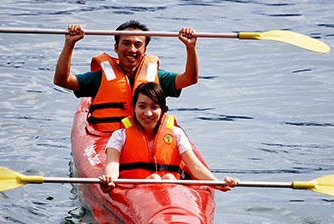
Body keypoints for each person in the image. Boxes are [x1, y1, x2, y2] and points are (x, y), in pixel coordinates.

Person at [54, 20, 199, 131]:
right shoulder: (99, 78)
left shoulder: (156, 76)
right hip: (107, 138)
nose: (132, 49)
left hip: (146, 137)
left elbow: (190, 79)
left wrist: (190, 47)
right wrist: (69, 44)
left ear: (144, 49)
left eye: (138, 45)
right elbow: (62, 80)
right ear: (116, 48)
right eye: (126, 43)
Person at [99, 82, 238, 193]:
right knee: (154, 178)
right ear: (133, 108)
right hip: (134, 193)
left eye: (154, 107)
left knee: (169, 178)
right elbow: (112, 164)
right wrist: (109, 180)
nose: (148, 113)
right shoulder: (119, 136)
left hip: (171, 194)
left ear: (162, 110)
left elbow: (195, 166)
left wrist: (218, 183)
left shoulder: (176, 133)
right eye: (142, 106)